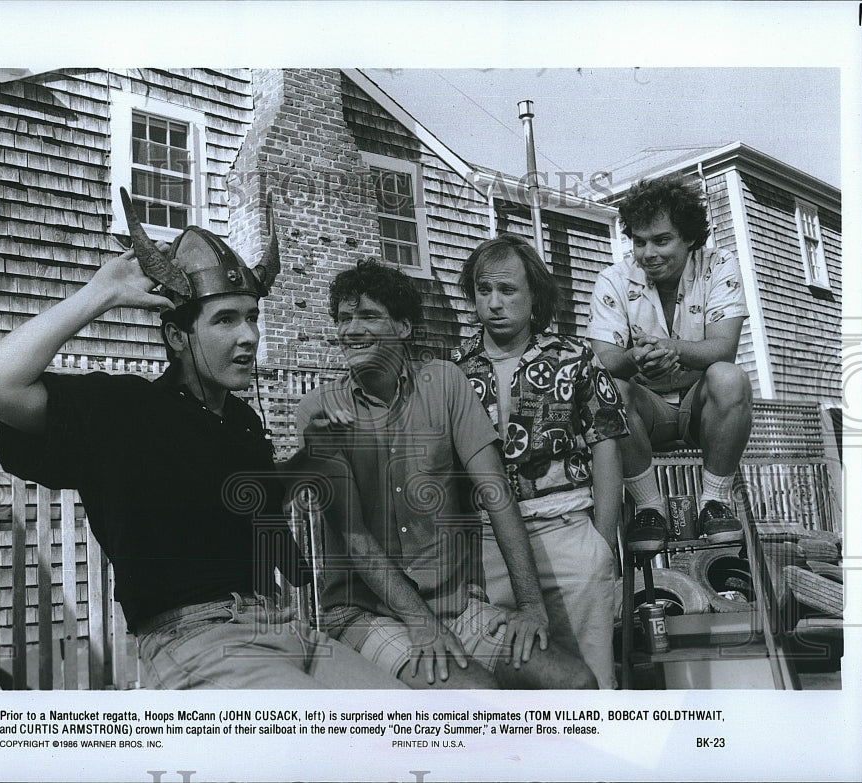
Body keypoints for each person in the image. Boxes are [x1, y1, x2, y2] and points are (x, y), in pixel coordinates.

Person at [0, 189, 403, 690]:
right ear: (177, 337)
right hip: (199, 640)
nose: (249, 336)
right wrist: (99, 294)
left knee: (403, 718)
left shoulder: (240, 422)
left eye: (252, 317)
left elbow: (235, 497)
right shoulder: (122, 409)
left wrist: (309, 457)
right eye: (225, 320)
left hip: (283, 627)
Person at [291, 259, 597, 690]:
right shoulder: (319, 411)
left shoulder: (446, 383)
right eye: (344, 318)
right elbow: (354, 536)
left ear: (403, 328)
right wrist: (420, 623)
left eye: (368, 316)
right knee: (477, 697)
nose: (352, 329)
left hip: (455, 604)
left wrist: (531, 606)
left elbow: (497, 494)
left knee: (576, 684)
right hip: (367, 613)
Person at [452, 233, 628, 689]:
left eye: (508, 291)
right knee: (513, 677)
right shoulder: (454, 369)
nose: (494, 303)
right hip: (488, 545)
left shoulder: (576, 359)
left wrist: (601, 545)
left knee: (590, 679)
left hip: (566, 531)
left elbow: (606, 445)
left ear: (534, 297)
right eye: (483, 291)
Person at [587, 173, 751, 555]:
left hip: (701, 410)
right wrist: (635, 358)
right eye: (639, 242)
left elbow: (724, 349)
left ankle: (714, 502)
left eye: (662, 240)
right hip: (646, 415)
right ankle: (649, 507)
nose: (649, 253)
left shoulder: (719, 263)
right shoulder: (612, 278)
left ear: (690, 237)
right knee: (607, 386)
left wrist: (670, 348)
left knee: (729, 377)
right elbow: (603, 360)